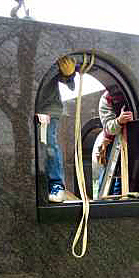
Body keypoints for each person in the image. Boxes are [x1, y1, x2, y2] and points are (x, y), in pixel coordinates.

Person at [37, 56, 77, 202]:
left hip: (48, 109)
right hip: (26, 107)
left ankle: (56, 185)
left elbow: (71, 84)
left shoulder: (50, 58)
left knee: (48, 144)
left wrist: (69, 74)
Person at [97, 88, 133, 196]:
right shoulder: (106, 99)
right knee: (109, 178)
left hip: (133, 143)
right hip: (113, 144)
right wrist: (119, 121)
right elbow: (108, 128)